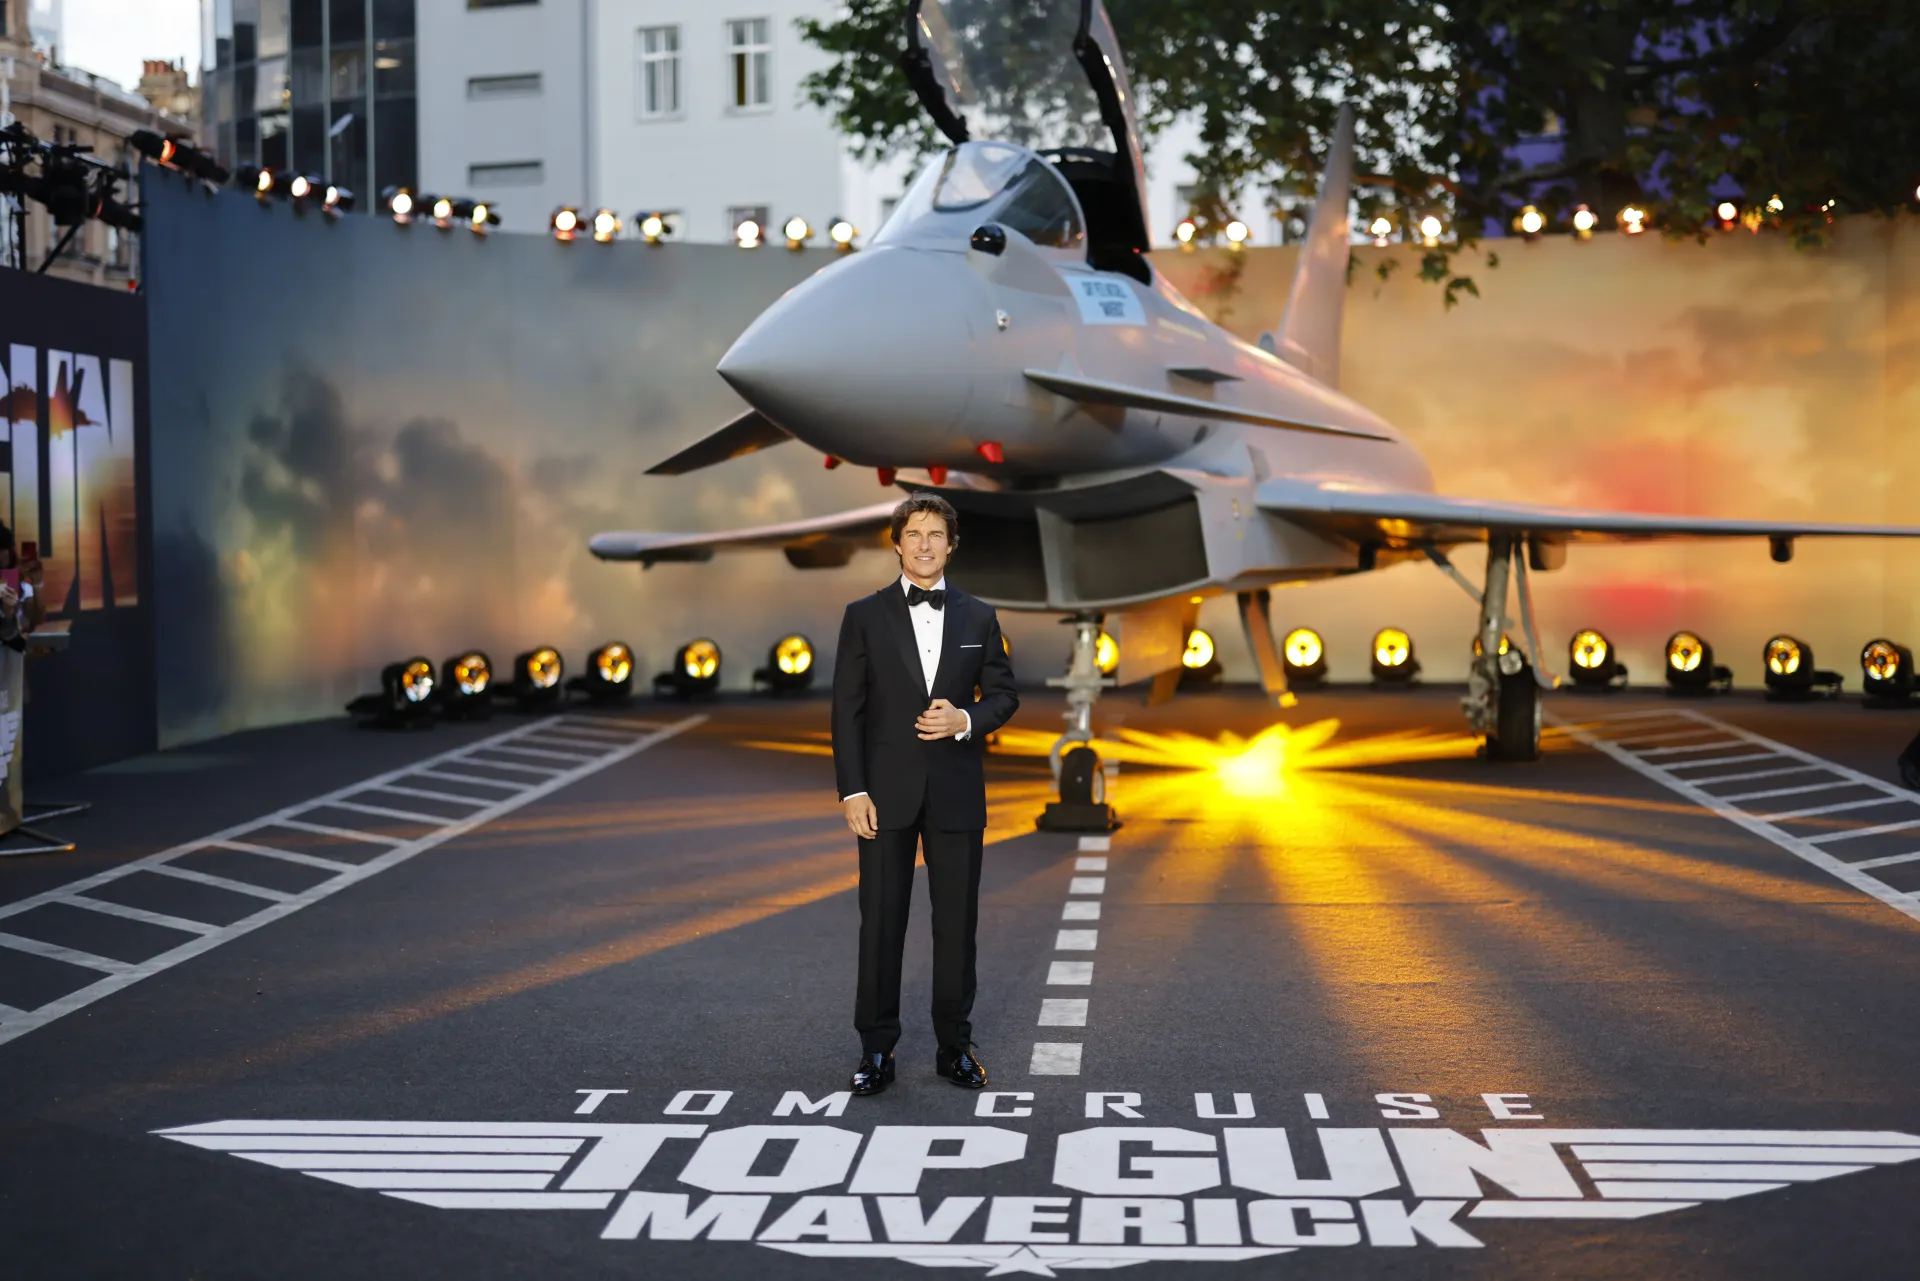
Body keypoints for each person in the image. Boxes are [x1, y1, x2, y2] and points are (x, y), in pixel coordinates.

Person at [833, 493, 1018, 1096]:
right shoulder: (863, 615)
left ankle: (954, 1048)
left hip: (958, 792)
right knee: (881, 925)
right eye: (914, 533)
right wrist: (852, 790)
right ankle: (876, 1052)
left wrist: (964, 719)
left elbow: (1003, 696)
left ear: (951, 544)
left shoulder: (980, 616)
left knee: (956, 927)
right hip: (883, 795)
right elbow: (847, 712)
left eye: (936, 534)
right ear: (896, 542)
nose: (924, 544)